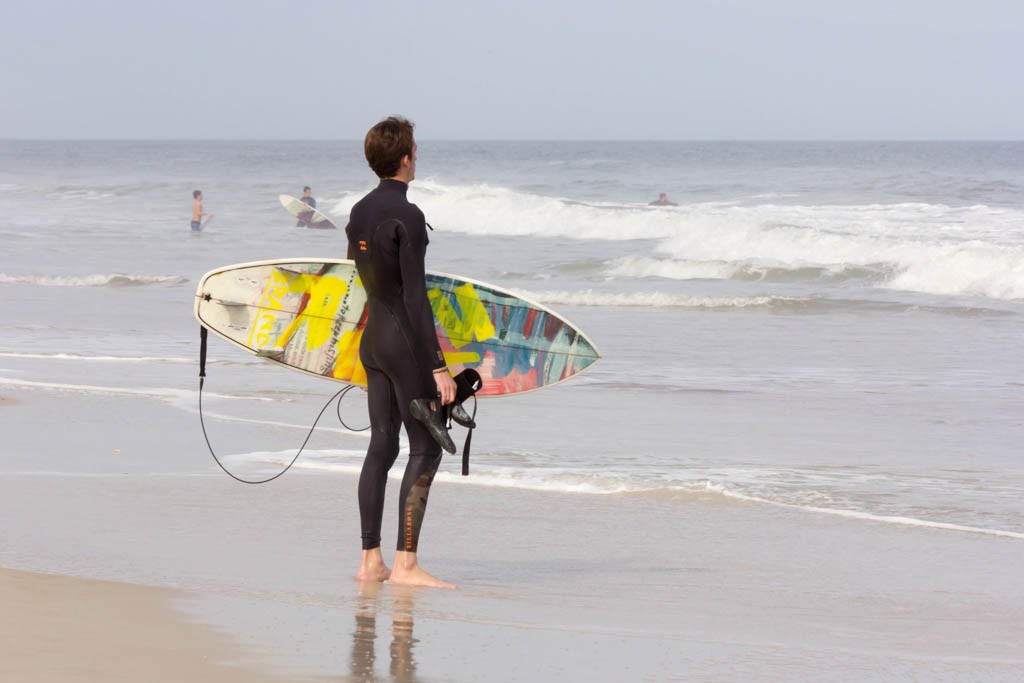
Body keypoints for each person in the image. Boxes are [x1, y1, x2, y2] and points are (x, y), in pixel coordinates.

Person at [345, 116, 458, 589]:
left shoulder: (357, 212)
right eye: (415, 150)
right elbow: (415, 298)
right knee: (426, 447)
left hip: (373, 343)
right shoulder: (407, 217)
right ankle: (406, 566)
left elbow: (361, 279)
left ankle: (370, 561)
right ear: (406, 157)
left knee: (382, 445)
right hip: (405, 348)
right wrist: (439, 366)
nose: (418, 157)